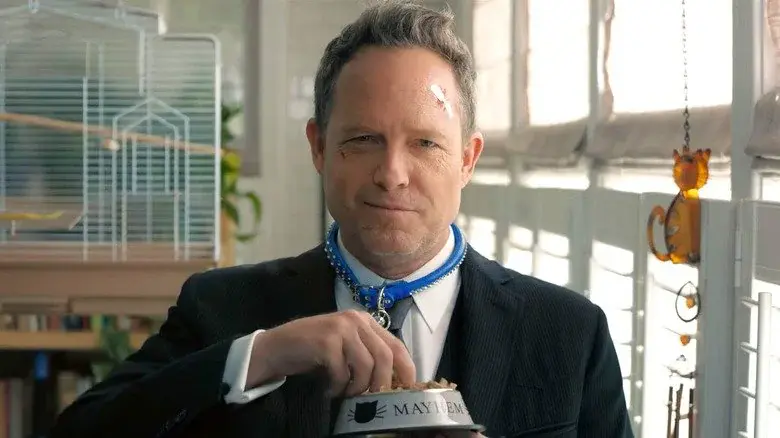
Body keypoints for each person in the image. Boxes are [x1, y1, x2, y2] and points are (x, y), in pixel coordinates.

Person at [51, 1, 633, 437]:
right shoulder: (222, 310)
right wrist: (266, 354)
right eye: (363, 139)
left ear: (467, 158)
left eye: (426, 144)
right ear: (319, 148)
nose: (393, 173)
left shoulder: (568, 333)